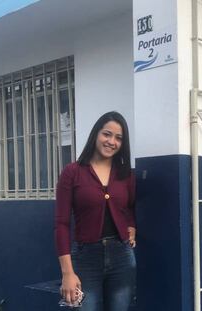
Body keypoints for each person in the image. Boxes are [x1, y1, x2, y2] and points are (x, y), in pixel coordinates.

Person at [55, 111, 136, 311]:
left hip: (122, 256)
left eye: (118, 138)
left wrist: (131, 225)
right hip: (85, 259)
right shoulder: (72, 172)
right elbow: (61, 224)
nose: (111, 141)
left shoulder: (126, 174)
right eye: (107, 134)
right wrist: (67, 273)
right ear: (96, 134)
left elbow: (130, 206)